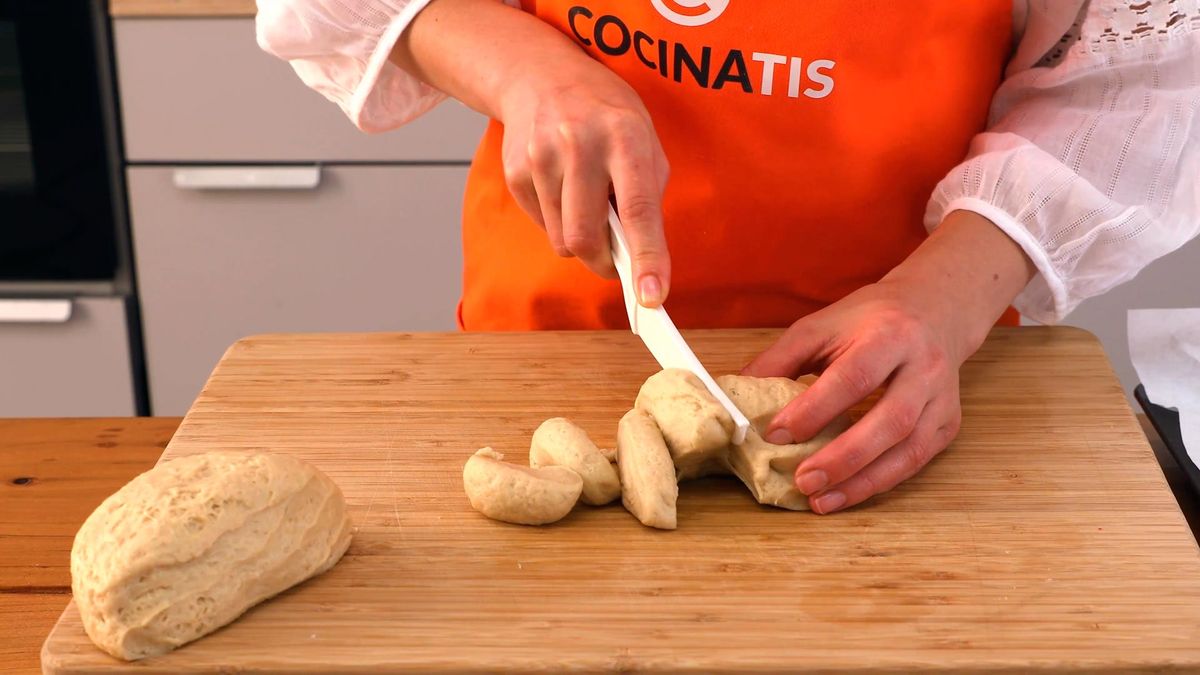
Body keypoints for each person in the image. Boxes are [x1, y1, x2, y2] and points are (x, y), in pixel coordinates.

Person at [256, 0, 1199, 514]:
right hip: (546, 342)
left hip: (899, 378)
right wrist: (523, 66)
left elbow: (1139, 91)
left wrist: (942, 299)